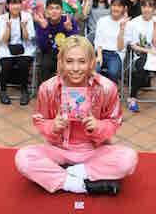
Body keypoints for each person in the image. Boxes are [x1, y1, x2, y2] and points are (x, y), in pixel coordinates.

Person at [14, 35, 138, 195]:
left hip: (94, 150)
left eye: (82, 61)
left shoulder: (107, 87)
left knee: (128, 159)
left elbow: (115, 121)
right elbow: (40, 120)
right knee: (23, 158)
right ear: (61, 62)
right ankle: (82, 185)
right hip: (58, 149)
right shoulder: (48, 88)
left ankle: (69, 174)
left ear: (92, 62)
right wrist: (53, 126)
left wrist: (98, 126)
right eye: (69, 61)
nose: (75, 68)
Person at [127, 0, 156, 113]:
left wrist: (155, 27)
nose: (147, 9)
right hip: (141, 53)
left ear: (153, 9)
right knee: (141, 67)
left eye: (150, 7)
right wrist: (147, 51)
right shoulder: (134, 22)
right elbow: (133, 45)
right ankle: (132, 98)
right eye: (144, 6)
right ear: (141, 8)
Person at [0, 0, 36, 105]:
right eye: (12, 4)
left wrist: (23, 27)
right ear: (7, 5)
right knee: (6, 64)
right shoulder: (3, 18)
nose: (15, 6)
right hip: (7, 48)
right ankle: (3, 90)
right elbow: (3, 40)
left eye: (18, 3)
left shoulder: (27, 16)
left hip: (25, 48)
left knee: (24, 63)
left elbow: (28, 39)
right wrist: (8, 28)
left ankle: (24, 91)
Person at [35, 0, 79, 84]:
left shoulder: (68, 21)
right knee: (44, 66)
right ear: (46, 11)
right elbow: (43, 47)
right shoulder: (43, 22)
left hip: (67, 54)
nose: (54, 11)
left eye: (57, 8)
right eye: (51, 8)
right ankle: (45, 91)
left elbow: (75, 45)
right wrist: (45, 29)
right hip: (49, 53)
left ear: (62, 10)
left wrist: (69, 31)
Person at [94, 0, 129, 86]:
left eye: (119, 6)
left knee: (113, 72)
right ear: (110, 6)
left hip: (116, 54)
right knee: (95, 70)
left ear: (123, 9)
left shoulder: (127, 24)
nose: (116, 8)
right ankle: (97, 91)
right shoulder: (102, 21)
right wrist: (99, 55)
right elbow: (98, 40)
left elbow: (120, 48)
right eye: (114, 5)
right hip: (101, 51)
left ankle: (111, 91)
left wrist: (122, 29)